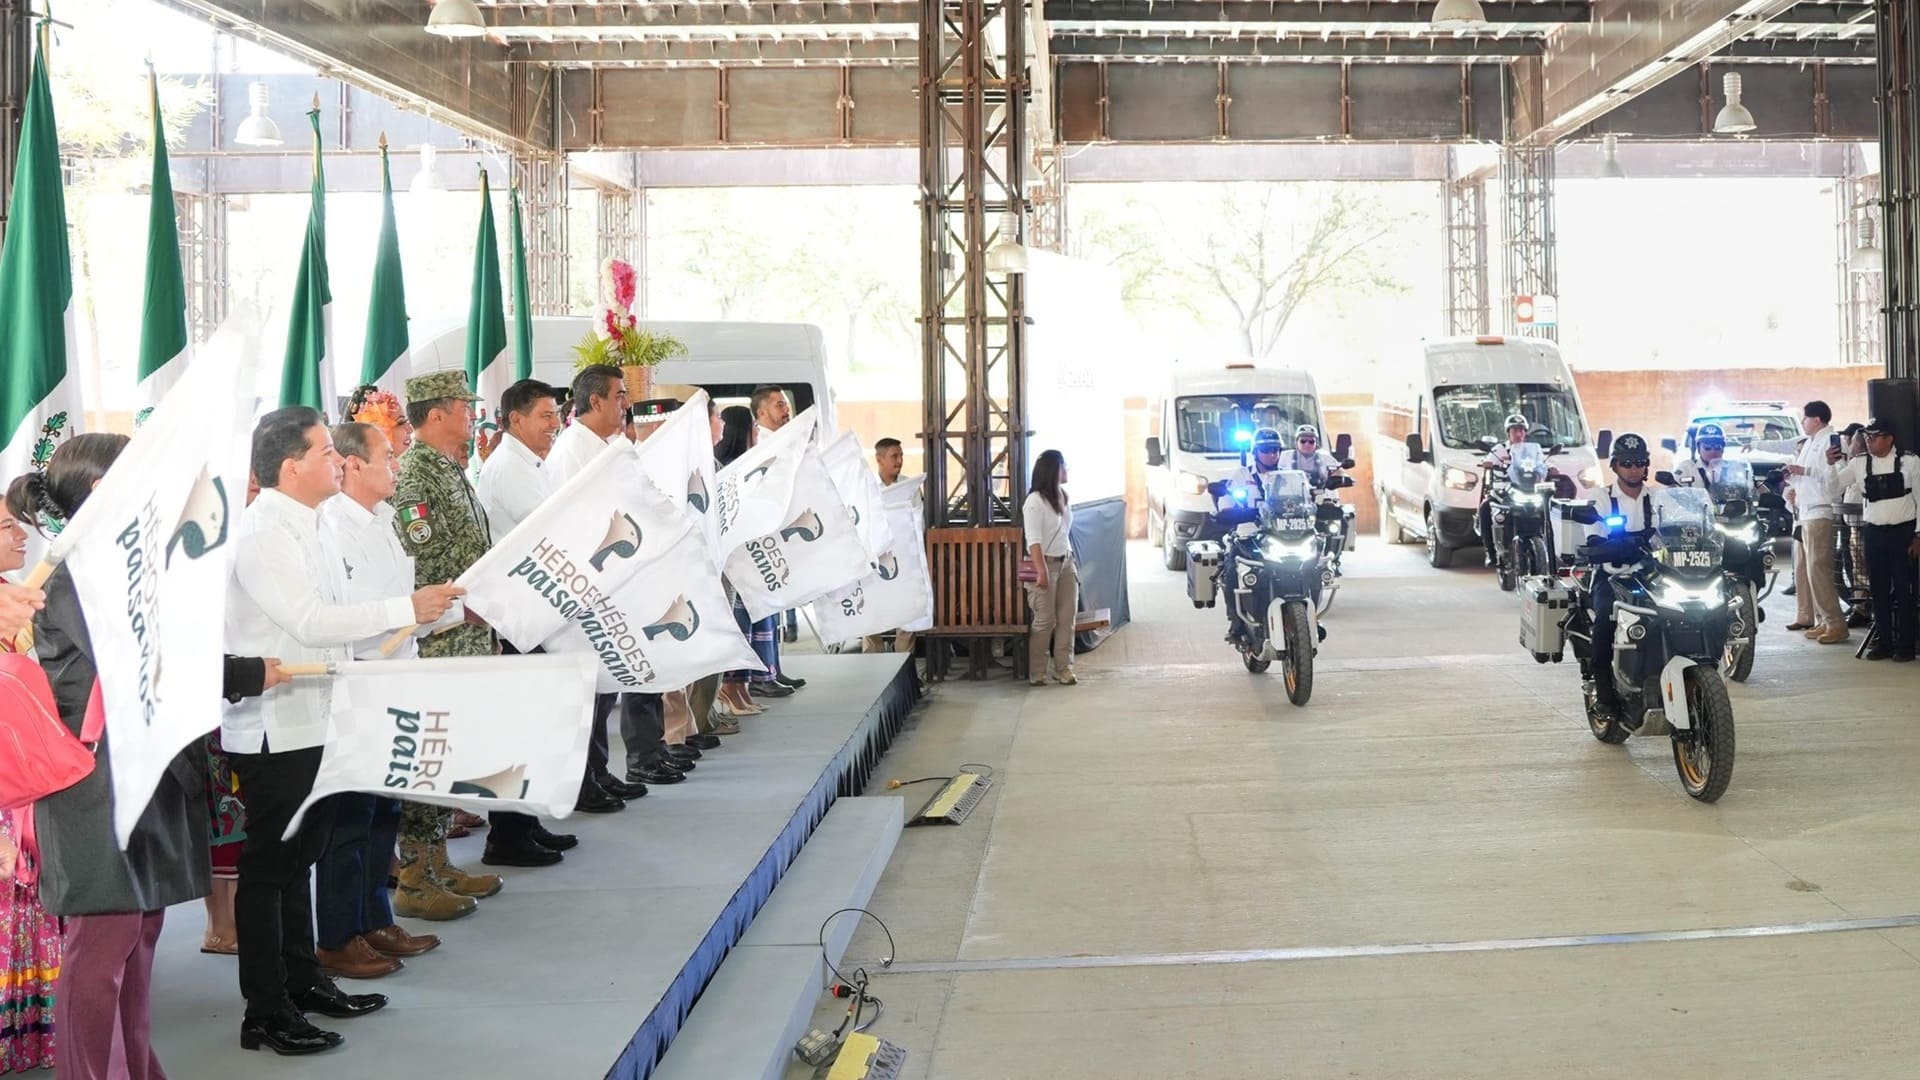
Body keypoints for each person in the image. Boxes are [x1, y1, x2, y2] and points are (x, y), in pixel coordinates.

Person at [7, 435, 281, 1077]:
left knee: (136, 943)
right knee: (103, 947)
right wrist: (240, 672)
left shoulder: (117, 568)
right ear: (104, 492)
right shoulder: (75, 574)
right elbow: (143, 666)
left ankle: (134, 1068)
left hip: (139, 777)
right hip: (95, 787)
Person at [226, 407, 464, 1055]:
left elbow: (340, 613)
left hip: (321, 711)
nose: (339, 460)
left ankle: (303, 982)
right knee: (271, 869)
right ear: (290, 465)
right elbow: (308, 620)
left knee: (303, 855)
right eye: (325, 450)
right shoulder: (264, 531)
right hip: (279, 724)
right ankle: (265, 1009)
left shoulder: (312, 524)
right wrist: (403, 610)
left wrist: (414, 616)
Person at [395, 370, 580, 875]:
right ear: (436, 415)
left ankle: (437, 864)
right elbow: (424, 563)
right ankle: (418, 870)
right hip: (442, 637)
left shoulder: (449, 468)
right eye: (462, 407)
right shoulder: (416, 474)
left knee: (455, 748)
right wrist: (462, 608)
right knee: (433, 752)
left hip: (469, 631)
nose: (471, 414)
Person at [315, 422, 461, 971]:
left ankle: (374, 919)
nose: (398, 466)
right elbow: (350, 615)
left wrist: (444, 609)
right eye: (388, 457)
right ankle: (337, 936)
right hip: (360, 685)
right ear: (352, 465)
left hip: (397, 678)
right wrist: (411, 611)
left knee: (383, 813)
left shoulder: (383, 521)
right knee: (350, 821)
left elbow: (406, 610)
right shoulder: (331, 528)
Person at [549, 367, 681, 795]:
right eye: (619, 395)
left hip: (615, 576)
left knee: (607, 685)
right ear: (595, 402)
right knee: (590, 687)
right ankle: (583, 779)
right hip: (588, 579)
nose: (626, 403)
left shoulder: (606, 446)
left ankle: (600, 771)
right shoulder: (573, 449)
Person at [0, 496, 58, 1072]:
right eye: (4, 528)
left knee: (29, 912)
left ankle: (28, 1035)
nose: (20, 535)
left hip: (22, 785)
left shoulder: (15, 601)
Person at [1577, 433, 1659, 720]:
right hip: (1612, 576)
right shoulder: (1601, 497)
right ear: (1615, 466)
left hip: (1651, 577)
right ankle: (1605, 696)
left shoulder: (1657, 498)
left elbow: (1675, 530)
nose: (1634, 468)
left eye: (1640, 463)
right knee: (1604, 624)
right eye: (1627, 463)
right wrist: (1607, 547)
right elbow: (1594, 538)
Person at [1824, 419, 1920, 661]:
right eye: (1867, 436)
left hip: (1903, 533)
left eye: (1874, 436)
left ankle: (1906, 646)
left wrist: (1918, 535)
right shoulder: (1859, 464)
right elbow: (1832, 488)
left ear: (1889, 439)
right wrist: (1831, 465)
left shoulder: (1910, 462)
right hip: (1874, 533)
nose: (1869, 440)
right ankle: (1884, 642)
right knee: (1878, 591)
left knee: (1904, 590)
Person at [1755, 401, 1848, 643]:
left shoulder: (1831, 440)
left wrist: (1804, 472)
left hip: (1820, 510)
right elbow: (1803, 475)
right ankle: (1823, 620)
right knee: (1809, 570)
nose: (1803, 423)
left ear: (1817, 419)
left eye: (1805, 418)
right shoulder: (1808, 443)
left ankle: (1836, 622)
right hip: (1805, 511)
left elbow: (1835, 478)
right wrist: (1792, 480)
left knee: (1819, 568)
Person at [715, 406, 768, 720]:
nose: (758, 433)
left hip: (747, 555)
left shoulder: (745, 463)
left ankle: (741, 686)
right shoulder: (728, 468)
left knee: (745, 624)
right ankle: (731, 687)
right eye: (754, 427)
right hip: (733, 558)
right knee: (735, 624)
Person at [863, 437, 923, 658]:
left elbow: (918, 523)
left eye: (901, 456)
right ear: (879, 459)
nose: (899, 461)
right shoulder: (867, 489)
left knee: (905, 615)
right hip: (874, 561)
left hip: (904, 559)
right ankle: (873, 668)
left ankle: (904, 665)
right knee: (871, 615)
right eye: (894, 456)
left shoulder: (910, 488)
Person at [1023, 449, 1078, 687]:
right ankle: (1037, 672)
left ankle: (1063, 668)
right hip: (1044, 563)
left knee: (1067, 619)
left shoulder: (1063, 495)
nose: (1066, 470)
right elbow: (1033, 540)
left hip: (1066, 563)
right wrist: (1041, 570)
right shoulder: (1034, 501)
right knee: (1044, 621)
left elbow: (1065, 531)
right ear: (1053, 470)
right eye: (1063, 466)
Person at [1479, 414, 1531, 564]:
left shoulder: (1530, 450)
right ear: (1508, 432)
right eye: (1515, 430)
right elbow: (1488, 459)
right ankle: (1490, 552)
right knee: (1484, 509)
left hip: (1525, 490)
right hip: (1501, 492)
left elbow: (1542, 462)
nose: (1519, 434)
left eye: (1521, 430)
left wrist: (1551, 467)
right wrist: (1488, 463)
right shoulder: (1499, 449)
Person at [1669, 422, 1732, 489]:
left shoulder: (1732, 469)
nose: (1713, 451)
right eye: (1707, 447)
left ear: (1723, 449)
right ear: (1698, 448)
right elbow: (1671, 493)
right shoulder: (1686, 468)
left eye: (1717, 447)